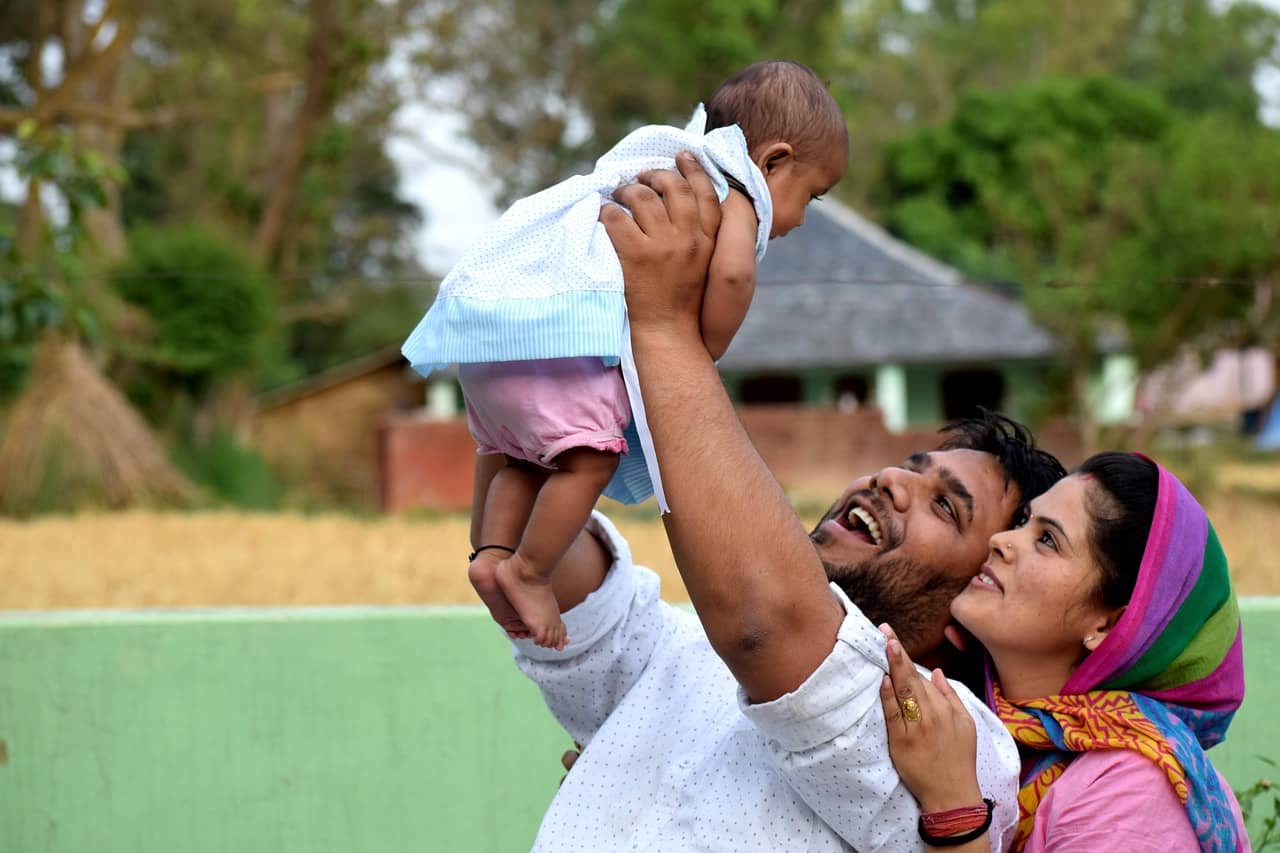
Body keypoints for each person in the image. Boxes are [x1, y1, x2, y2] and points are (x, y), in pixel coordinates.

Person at [498, 157, 1066, 850]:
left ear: (977, 595)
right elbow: (562, 584)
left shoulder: (960, 746)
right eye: (913, 467)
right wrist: (528, 353)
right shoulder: (691, 650)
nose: (892, 481)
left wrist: (664, 324)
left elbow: (769, 623)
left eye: (946, 508)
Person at [402, 60, 848, 649]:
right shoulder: (735, 187)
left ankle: (491, 552)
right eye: (809, 196)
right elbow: (735, 276)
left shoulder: (665, 154)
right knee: (587, 463)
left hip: (504, 345)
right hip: (558, 350)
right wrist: (698, 350)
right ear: (773, 161)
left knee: (526, 461)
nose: (798, 218)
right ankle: (527, 571)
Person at [879, 452, 1248, 851]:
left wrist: (952, 805)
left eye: (1047, 540)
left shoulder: (1132, 790)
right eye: (1023, 522)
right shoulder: (983, 719)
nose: (1001, 540)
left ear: (1106, 625)